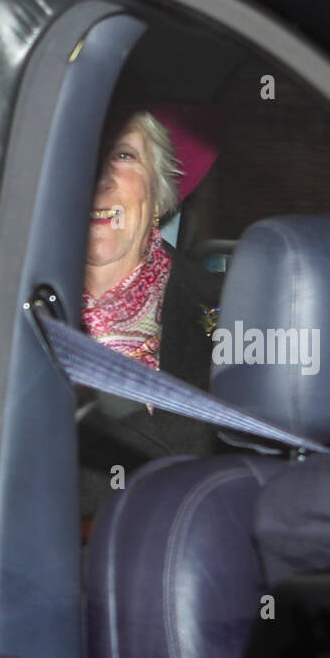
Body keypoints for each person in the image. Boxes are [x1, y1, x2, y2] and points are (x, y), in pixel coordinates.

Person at [78, 106, 223, 517]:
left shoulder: (233, 313)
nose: (100, 178)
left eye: (123, 155)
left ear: (157, 190)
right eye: (84, 152)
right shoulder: (6, 307)